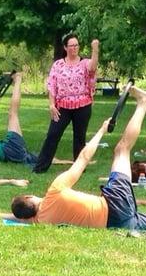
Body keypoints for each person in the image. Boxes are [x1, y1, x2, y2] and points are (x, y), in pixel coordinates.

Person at [0, 86, 146, 232]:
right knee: (121, 149)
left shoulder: (41, 221)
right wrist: (99, 131)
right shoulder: (54, 191)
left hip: (118, 222)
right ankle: (143, 103)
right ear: (29, 197)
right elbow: (84, 157)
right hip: (112, 204)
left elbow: (13, 216)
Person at [0, 72, 79, 168]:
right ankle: (18, 80)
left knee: (42, 157)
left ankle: (73, 162)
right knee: (12, 113)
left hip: (11, 152)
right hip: (10, 148)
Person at [33, 34, 99, 173]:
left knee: (79, 137)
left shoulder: (85, 63)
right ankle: (40, 168)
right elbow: (52, 86)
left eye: (76, 45)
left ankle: (79, 168)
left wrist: (95, 49)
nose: (74, 48)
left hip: (83, 105)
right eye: (71, 45)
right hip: (62, 105)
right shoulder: (58, 65)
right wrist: (51, 104)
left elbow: (93, 67)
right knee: (53, 134)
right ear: (65, 47)